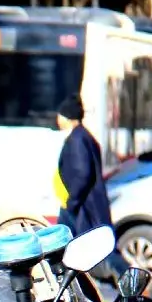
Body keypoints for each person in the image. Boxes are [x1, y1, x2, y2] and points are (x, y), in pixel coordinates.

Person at [53, 94, 123, 282]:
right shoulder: (82, 136)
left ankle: (128, 279)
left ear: (67, 117)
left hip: (81, 206)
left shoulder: (78, 139)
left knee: (88, 246)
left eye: (60, 115)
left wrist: (71, 201)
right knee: (76, 247)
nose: (57, 119)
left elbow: (83, 174)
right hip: (81, 205)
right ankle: (68, 284)